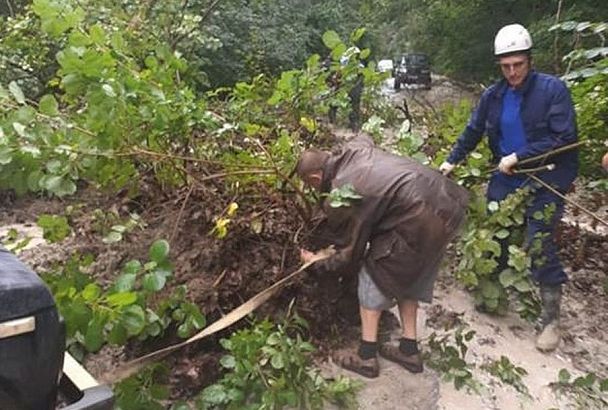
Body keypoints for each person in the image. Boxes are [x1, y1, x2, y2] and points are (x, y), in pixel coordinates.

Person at [439, 23, 579, 352]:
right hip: (508, 172)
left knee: (538, 238)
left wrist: (521, 155)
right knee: (492, 227)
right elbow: (473, 130)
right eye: (506, 66)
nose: (513, 72)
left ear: (529, 60)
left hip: (547, 174)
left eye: (519, 65)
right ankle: (495, 292)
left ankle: (550, 319)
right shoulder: (494, 95)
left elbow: (564, 138)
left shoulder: (552, 90)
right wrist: (452, 160)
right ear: (499, 65)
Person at [297, 134, 469, 378]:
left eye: (311, 186)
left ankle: (366, 357)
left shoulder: (344, 191)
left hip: (417, 215)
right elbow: (364, 137)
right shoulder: (353, 151)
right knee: (410, 272)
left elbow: (351, 255)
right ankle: (409, 350)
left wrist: (317, 262)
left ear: (315, 178)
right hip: (448, 204)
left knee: (373, 273)